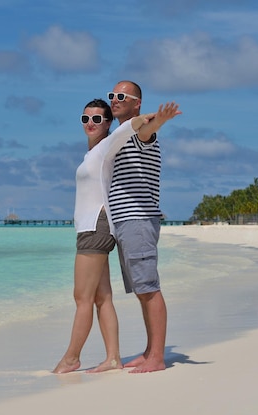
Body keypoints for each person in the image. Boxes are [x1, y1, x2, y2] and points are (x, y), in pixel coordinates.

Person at [53, 98, 180, 374]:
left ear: (108, 123)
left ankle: (71, 358)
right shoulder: (93, 154)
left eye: (98, 119)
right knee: (101, 297)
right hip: (93, 225)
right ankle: (112, 357)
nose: (90, 123)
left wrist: (156, 118)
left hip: (95, 226)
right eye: (85, 118)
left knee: (82, 298)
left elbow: (133, 127)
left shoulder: (107, 146)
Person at [107, 80, 179, 373]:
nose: (114, 99)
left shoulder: (139, 133)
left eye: (121, 96)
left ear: (136, 102)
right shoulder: (121, 134)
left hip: (137, 219)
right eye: (112, 95)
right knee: (141, 289)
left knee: (149, 288)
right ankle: (150, 350)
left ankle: (158, 358)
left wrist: (157, 120)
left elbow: (147, 130)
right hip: (126, 221)